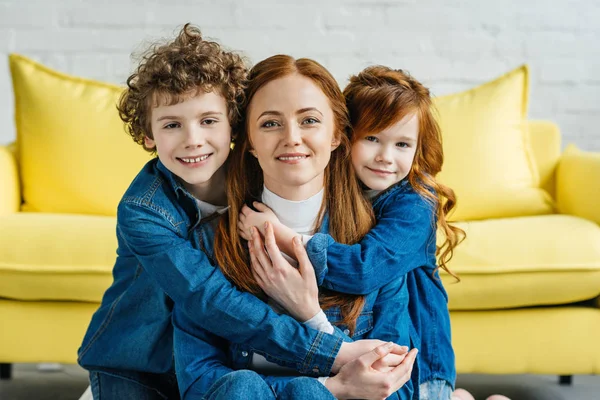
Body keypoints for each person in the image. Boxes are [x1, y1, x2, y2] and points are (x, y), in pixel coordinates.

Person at [77, 25, 401, 399]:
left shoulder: (265, 169)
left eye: (208, 121)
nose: (193, 139)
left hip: (211, 358)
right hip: (138, 363)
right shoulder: (144, 211)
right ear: (148, 135)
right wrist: (335, 352)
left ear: (234, 126)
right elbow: (209, 299)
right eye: (171, 125)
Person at [241, 66, 510, 400]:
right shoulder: (345, 191)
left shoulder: (414, 202)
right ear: (345, 136)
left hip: (420, 366)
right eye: (372, 139)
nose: (385, 157)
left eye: (402, 144)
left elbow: (362, 269)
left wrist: (279, 234)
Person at [173, 54, 418, 400]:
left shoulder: (377, 243)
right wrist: (328, 388)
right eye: (271, 124)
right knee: (242, 388)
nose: (292, 137)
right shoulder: (206, 243)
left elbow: (394, 387)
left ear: (336, 136)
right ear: (250, 144)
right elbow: (200, 385)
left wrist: (313, 317)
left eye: (309, 121)